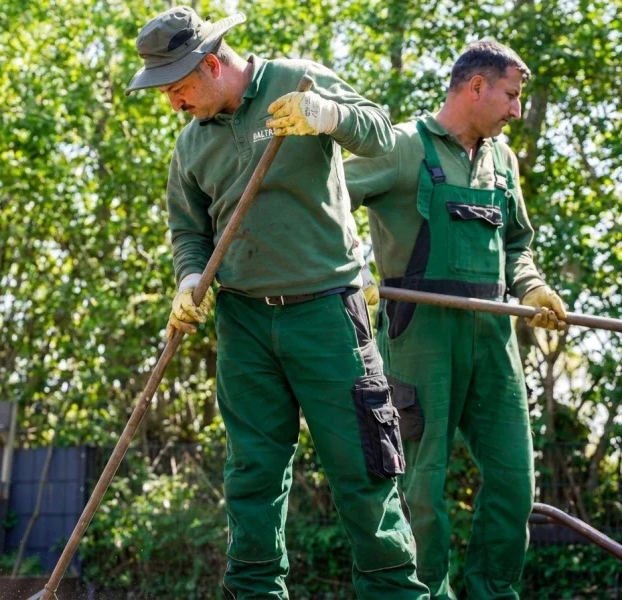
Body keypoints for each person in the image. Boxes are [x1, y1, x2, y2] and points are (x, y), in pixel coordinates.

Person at [126, 6, 429, 599]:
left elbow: (381, 131)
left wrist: (325, 115)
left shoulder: (297, 81)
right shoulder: (191, 145)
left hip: (327, 315)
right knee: (251, 477)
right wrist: (190, 282)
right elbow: (190, 232)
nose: (174, 105)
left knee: (365, 471)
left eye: (178, 89)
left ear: (212, 65)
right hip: (243, 324)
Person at [344, 40, 567, 600]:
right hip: (420, 331)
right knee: (423, 487)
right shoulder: (401, 147)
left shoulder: (503, 162)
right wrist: (347, 264)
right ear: (476, 87)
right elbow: (325, 200)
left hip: (493, 335)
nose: (517, 110)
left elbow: (516, 244)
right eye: (511, 96)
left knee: (516, 480)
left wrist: (533, 286)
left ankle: (494, 592)